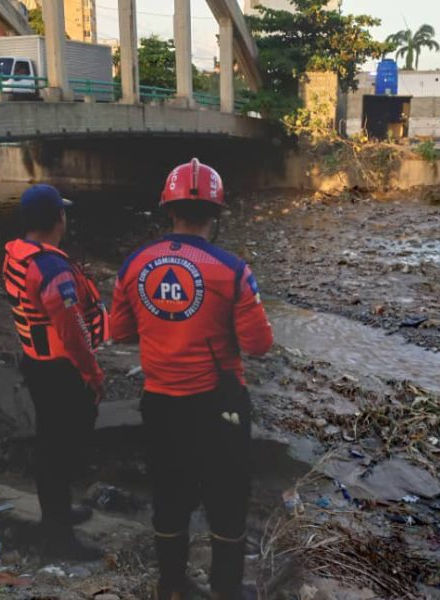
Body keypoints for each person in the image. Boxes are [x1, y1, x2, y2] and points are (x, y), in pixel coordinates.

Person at [111, 159, 274, 600]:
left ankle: (171, 585)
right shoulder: (232, 270)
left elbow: (119, 332)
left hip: (161, 402)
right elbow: (259, 344)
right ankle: (225, 589)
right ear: (216, 215)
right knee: (227, 498)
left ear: (169, 210)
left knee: (169, 495)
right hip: (218, 406)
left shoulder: (134, 265)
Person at [2, 184, 109, 560]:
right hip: (61, 372)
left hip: (37, 363)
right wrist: (93, 373)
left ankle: (58, 514)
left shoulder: (20, 254)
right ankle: (59, 538)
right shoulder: (52, 270)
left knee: (52, 444)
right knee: (60, 450)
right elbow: (73, 331)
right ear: (59, 219)